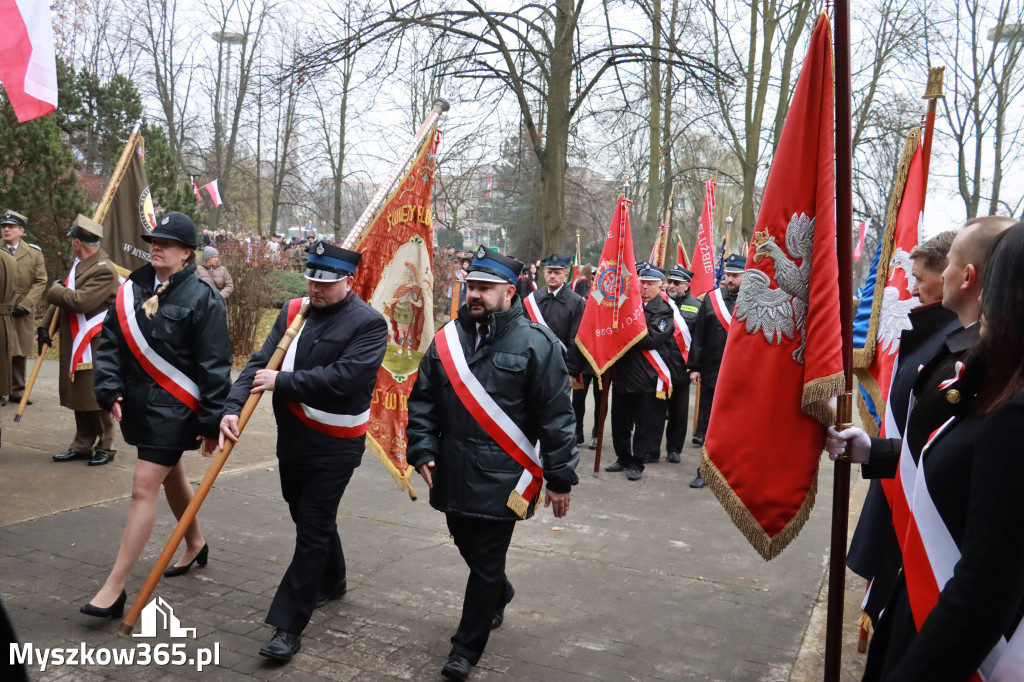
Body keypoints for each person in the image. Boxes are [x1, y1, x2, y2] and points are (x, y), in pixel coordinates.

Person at [826, 221, 1024, 681]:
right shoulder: (992, 369)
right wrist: (875, 452)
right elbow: (958, 464)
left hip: (953, 620)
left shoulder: (1011, 409)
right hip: (921, 582)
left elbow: (981, 594)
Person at [406, 246, 579, 681]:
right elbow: (423, 400)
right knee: (465, 542)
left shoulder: (536, 344)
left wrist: (559, 478)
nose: (475, 295)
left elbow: (558, 419)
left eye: (485, 288)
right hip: (451, 471)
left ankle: (465, 648)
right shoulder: (448, 338)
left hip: (505, 476)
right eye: (471, 287)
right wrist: (422, 449)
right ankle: (500, 591)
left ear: (509, 291)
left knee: (484, 561)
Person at [220, 240, 387, 662]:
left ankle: (287, 627)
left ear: (348, 281)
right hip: (293, 438)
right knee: (306, 515)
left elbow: (344, 379)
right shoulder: (294, 311)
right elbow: (260, 363)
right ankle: (334, 579)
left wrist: (284, 382)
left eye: (326, 282)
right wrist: (232, 407)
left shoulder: (369, 324)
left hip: (336, 444)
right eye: (311, 278)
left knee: (311, 527)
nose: (315, 288)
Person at [83, 211, 232, 618]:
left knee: (143, 486)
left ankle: (114, 588)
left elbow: (215, 367)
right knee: (172, 478)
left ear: (187, 253)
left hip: (176, 409)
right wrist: (109, 387)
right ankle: (196, 542)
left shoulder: (204, 298)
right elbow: (110, 340)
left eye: (166, 243)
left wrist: (209, 421)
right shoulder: (133, 287)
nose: (156, 247)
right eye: (153, 241)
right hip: (139, 404)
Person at [846, 230, 960, 624]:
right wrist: (873, 451)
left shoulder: (963, 347)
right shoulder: (939, 333)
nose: (910, 288)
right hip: (907, 500)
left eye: (920, 278)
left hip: (936, 541)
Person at [43, 215, 120, 467]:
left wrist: (53, 290)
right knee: (80, 395)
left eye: (71, 242)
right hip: (76, 340)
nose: (70, 246)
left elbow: (79, 301)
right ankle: (82, 443)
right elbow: (66, 299)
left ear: (77, 242)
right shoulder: (80, 265)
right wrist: (45, 327)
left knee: (96, 396)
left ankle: (106, 446)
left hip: (94, 344)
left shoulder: (104, 270)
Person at [605, 262, 675, 480]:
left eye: (650, 284)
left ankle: (637, 463)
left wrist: (626, 329)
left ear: (659, 287)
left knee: (644, 426)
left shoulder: (664, 311)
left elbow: (652, 339)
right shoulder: (626, 307)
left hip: (647, 378)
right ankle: (623, 457)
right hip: (622, 375)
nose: (644, 287)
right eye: (642, 282)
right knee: (619, 423)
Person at [687, 254, 745, 487]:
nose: (729, 279)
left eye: (734, 276)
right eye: (727, 275)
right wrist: (695, 367)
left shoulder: (754, 302)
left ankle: (733, 473)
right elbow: (698, 335)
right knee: (709, 425)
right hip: (712, 374)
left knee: (737, 426)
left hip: (742, 378)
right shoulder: (711, 299)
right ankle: (705, 471)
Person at [1, 211, 47, 405]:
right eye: (4, 226)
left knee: (19, 351)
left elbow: (41, 281)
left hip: (22, 309)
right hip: (1, 306)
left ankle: (17, 391)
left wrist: (27, 304)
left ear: (22, 231)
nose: (6, 229)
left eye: (11, 227)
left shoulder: (34, 253)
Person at [523, 253, 585, 381]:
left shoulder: (576, 302)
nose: (552, 276)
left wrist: (572, 372)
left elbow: (576, 339)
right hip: (534, 365)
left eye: (557, 273)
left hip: (560, 368)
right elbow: (524, 332)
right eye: (550, 272)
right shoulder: (533, 298)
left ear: (565, 276)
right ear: (544, 273)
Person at [662, 266, 699, 463]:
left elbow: (699, 340)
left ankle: (674, 449)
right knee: (654, 411)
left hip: (681, 367)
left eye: (677, 283)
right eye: (669, 282)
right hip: (659, 366)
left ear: (687, 285)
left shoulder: (697, 306)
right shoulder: (659, 301)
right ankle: (650, 449)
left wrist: (695, 367)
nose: (671, 286)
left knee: (678, 412)